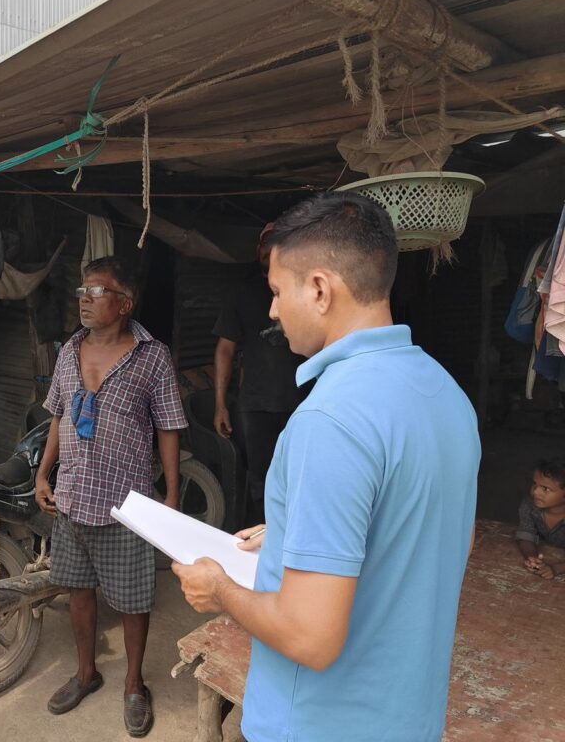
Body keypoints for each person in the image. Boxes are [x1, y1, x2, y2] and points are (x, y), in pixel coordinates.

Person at [173, 192, 480, 742]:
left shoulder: (330, 420)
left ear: (319, 289)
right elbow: (425, 532)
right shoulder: (445, 394)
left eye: (276, 292)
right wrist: (298, 530)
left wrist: (219, 590)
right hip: (410, 718)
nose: (271, 311)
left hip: (321, 723)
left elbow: (309, 638)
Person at [35, 256, 187, 738]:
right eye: (82, 290)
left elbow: (168, 427)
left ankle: (134, 685)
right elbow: (59, 416)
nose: (84, 298)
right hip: (73, 497)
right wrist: (44, 474)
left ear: (125, 303)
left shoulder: (152, 356)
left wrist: (171, 495)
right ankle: (86, 673)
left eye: (97, 291)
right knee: (79, 592)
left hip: (127, 504)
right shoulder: (68, 351)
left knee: (132, 600)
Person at [213, 224, 305, 525]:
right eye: (267, 243)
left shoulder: (307, 288)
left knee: (302, 476)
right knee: (261, 479)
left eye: (279, 242)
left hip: (303, 402)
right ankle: (264, 537)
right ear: (258, 250)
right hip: (255, 405)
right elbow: (225, 349)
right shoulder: (242, 292)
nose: (271, 249)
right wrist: (221, 405)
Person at [515, 458, 565, 579]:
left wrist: (556, 569)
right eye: (534, 484)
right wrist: (533, 558)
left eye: (545, 489)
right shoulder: (529, 505)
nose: (535, 492)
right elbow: (526, 535)